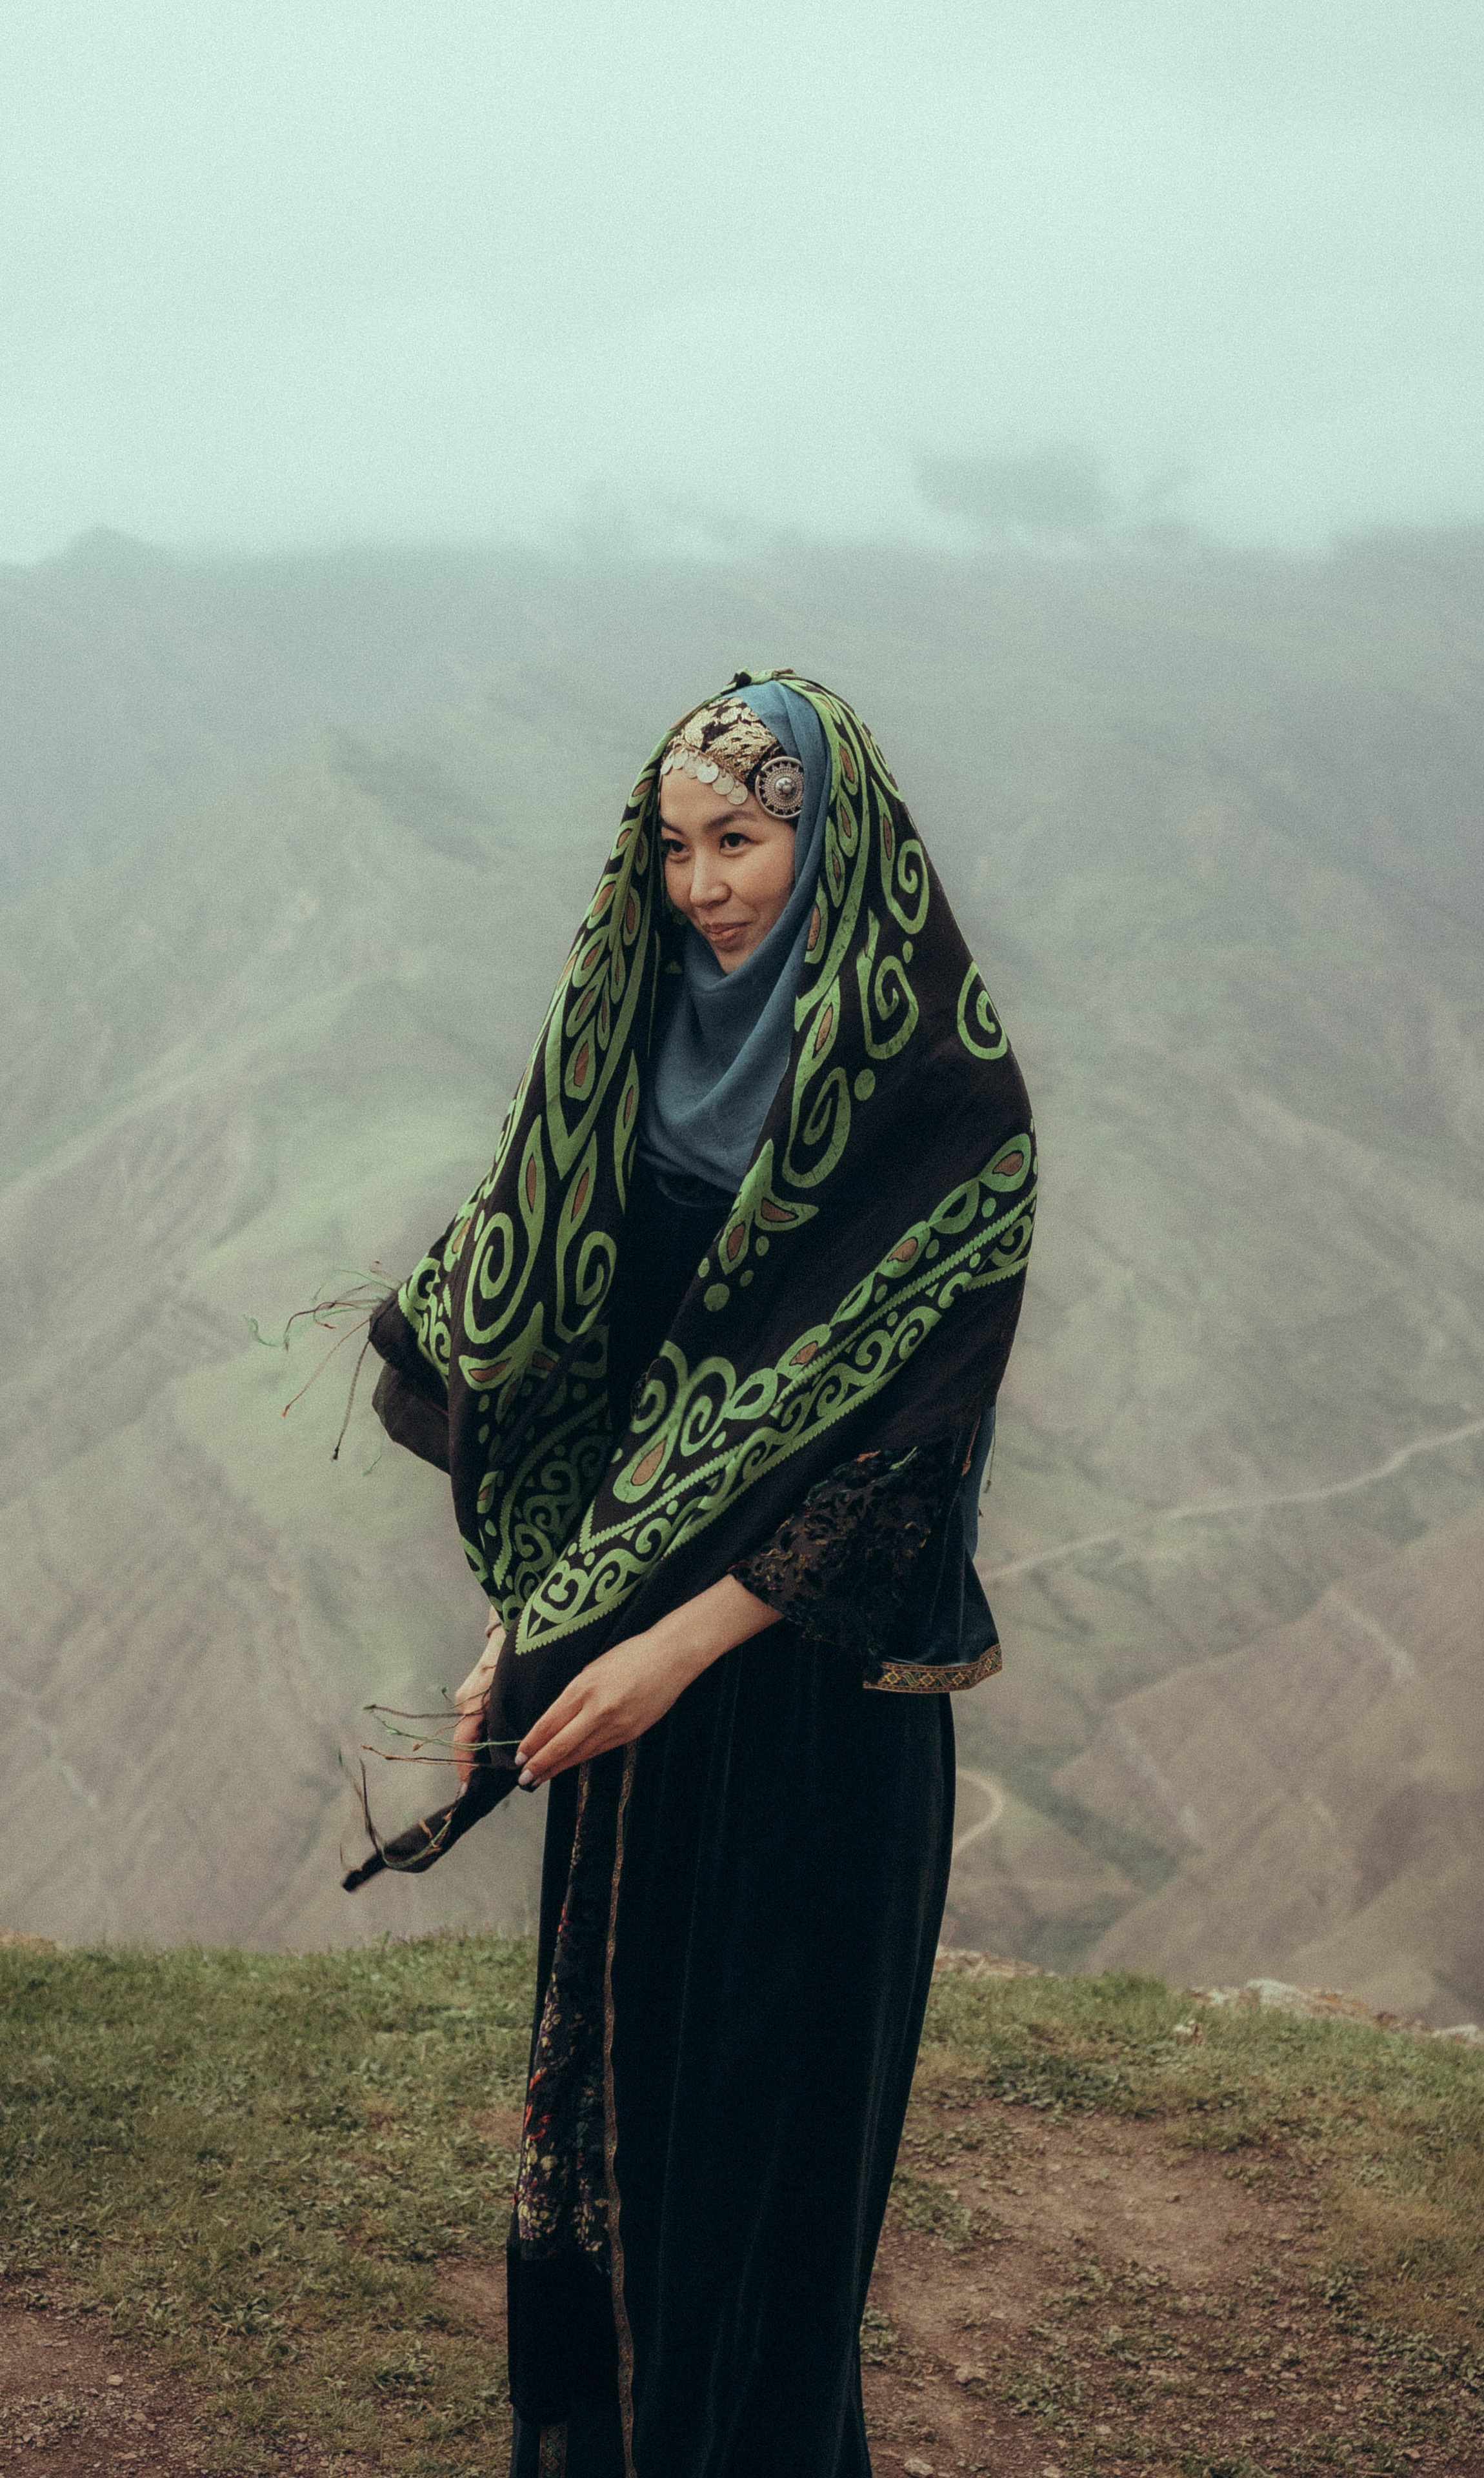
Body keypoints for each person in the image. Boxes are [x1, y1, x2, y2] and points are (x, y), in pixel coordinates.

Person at [357, 672, 1036, 2477]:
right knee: (620, 2151)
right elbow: (588, 1398)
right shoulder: (632, 1059)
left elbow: (907, 1465)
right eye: (673, 848)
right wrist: (534, 1621)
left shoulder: (939, 1099)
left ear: (835, 844)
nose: (704, 887)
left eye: (741, 840)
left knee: (760, 2181)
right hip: (625, 1711)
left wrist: (669, 1649)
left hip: (807, 1715)